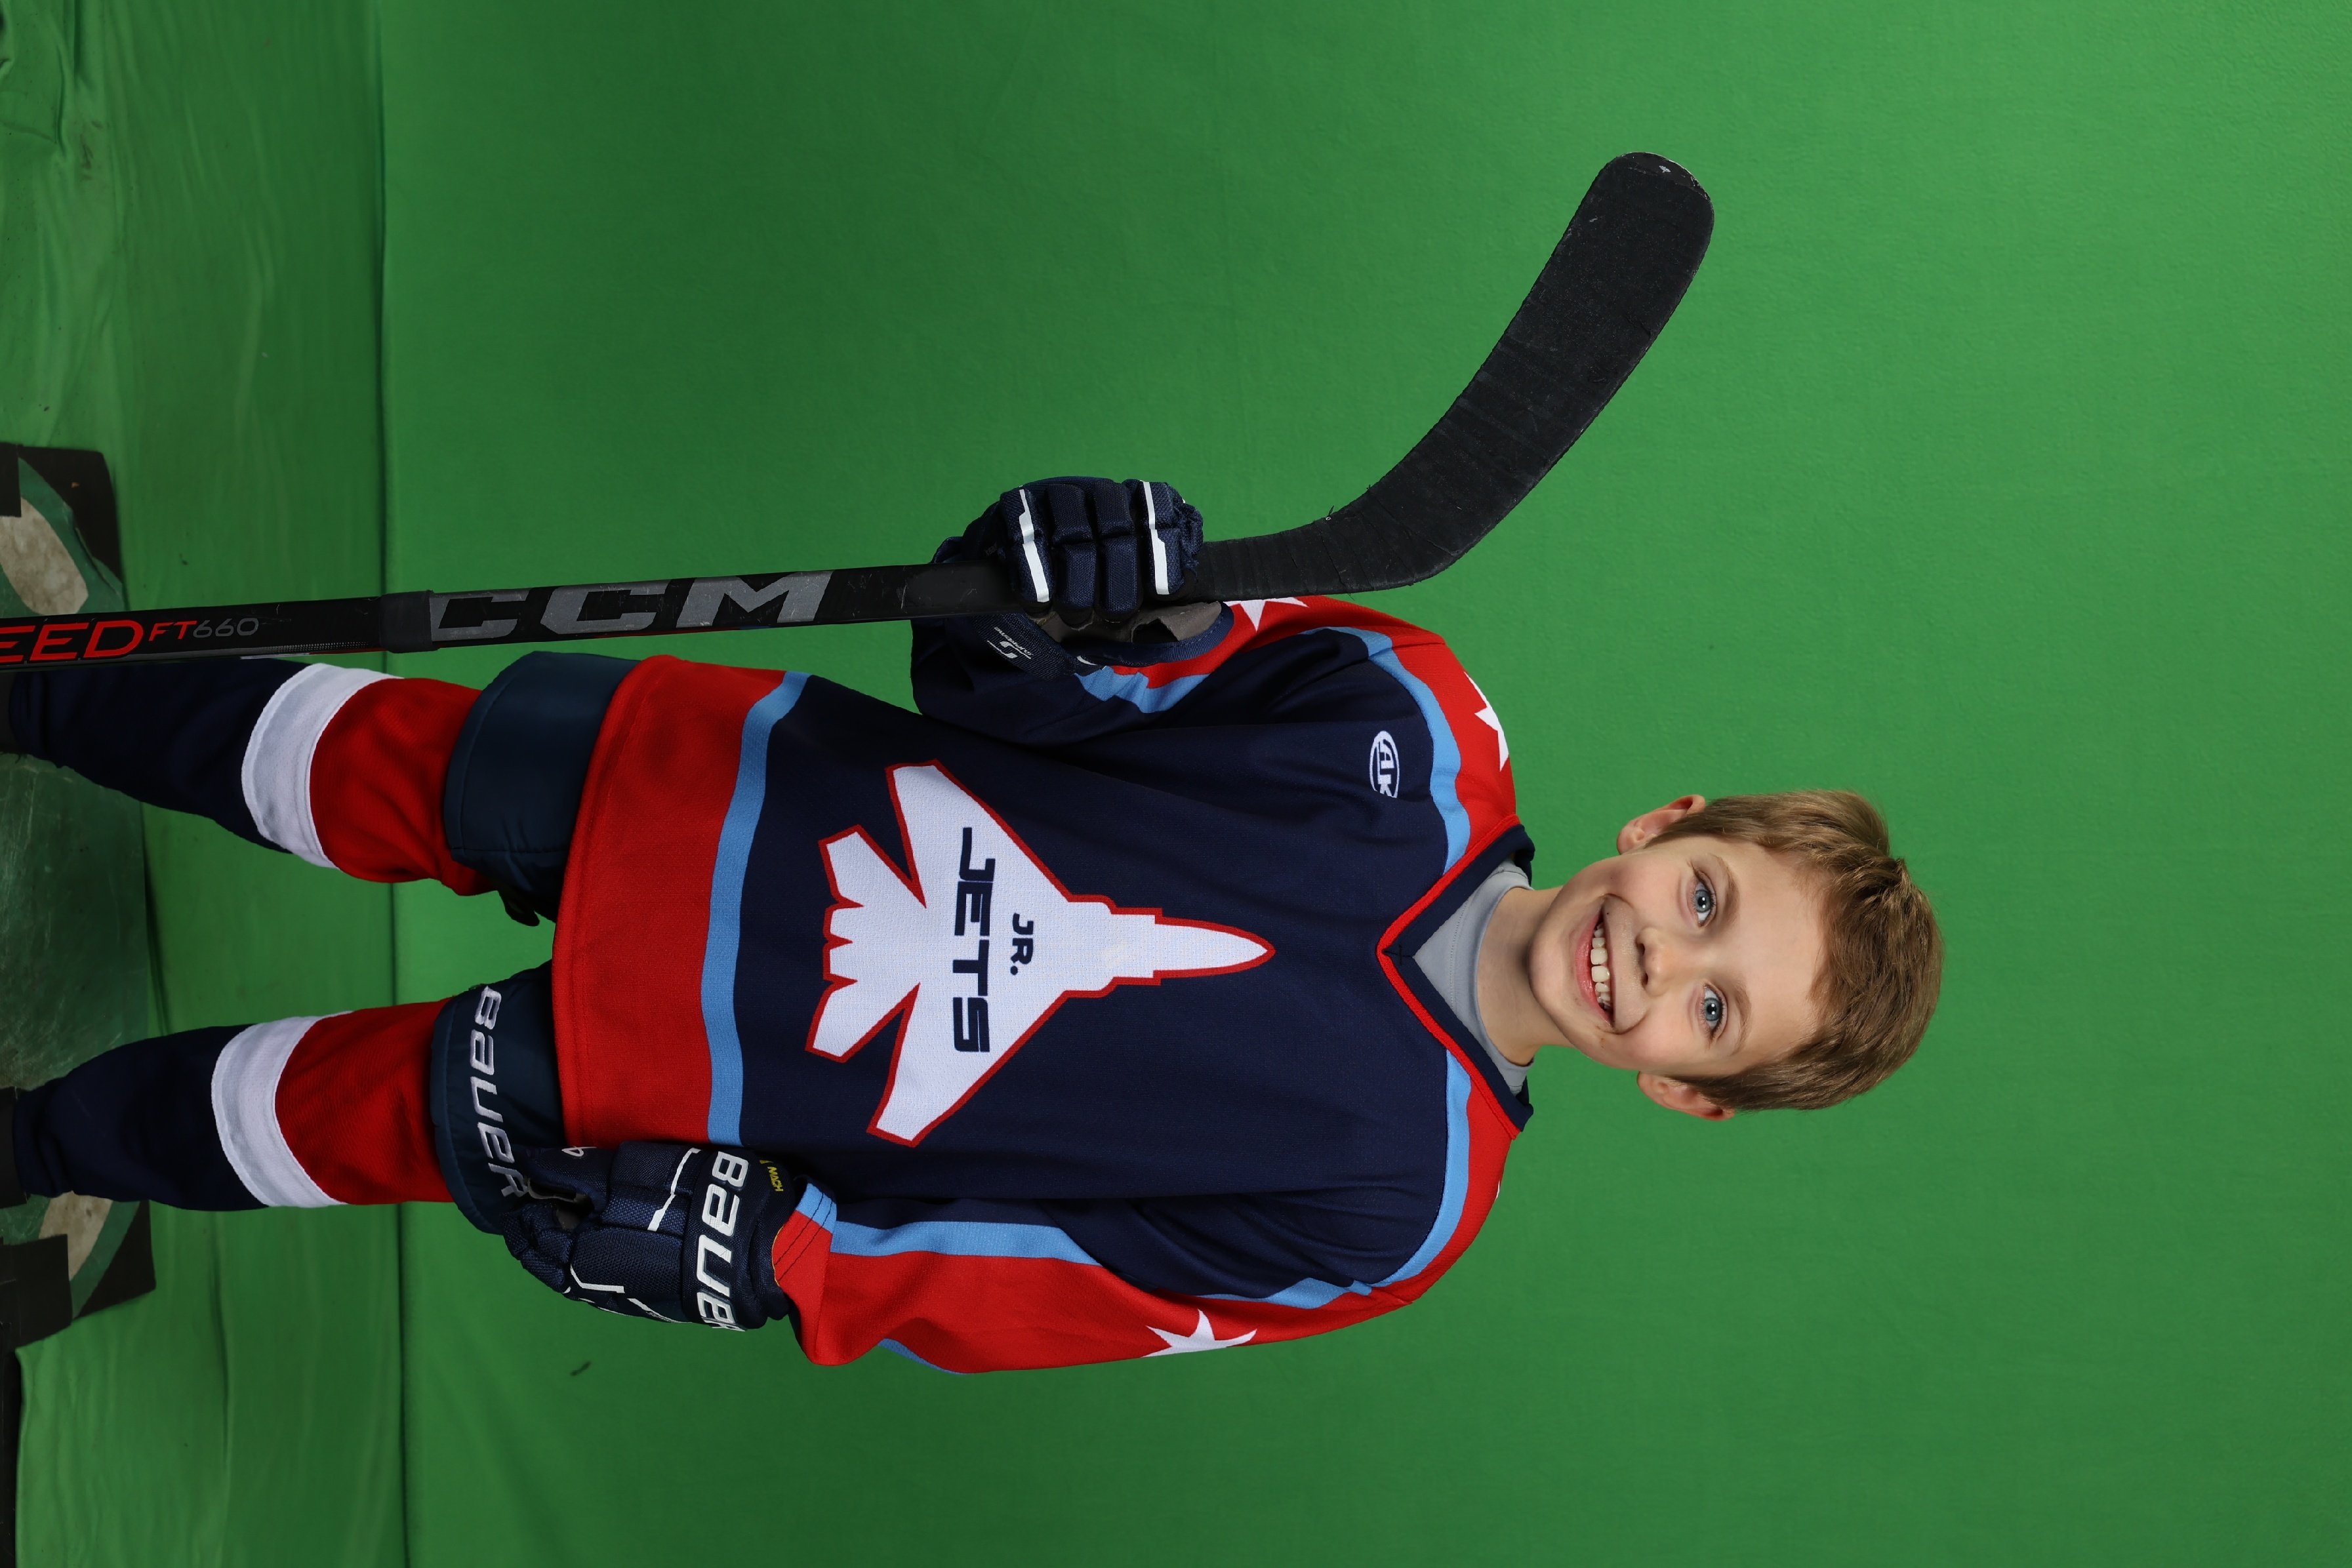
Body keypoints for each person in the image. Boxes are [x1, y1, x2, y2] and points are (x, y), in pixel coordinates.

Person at [0, 477, 1941, 1372]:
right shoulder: (1409, 715)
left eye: (1714, 1012)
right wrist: (1057, 587)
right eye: (1707, 900)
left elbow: (1063, 1283)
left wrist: (790, 1260)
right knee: (365, 759)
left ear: (1689, 1094)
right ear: (1666, 824)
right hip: (730, 791)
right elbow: (1055, 680)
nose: (1661, 960)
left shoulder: (1396, 1215)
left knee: (337, 1120)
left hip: (710, 1085)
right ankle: (43, 683)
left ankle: (35, 1147)